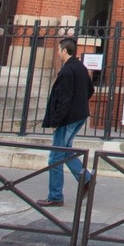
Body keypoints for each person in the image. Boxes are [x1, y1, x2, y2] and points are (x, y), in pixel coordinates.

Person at [37, 37, 95, 207]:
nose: (57, 52)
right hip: (79, 115)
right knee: (66, 151)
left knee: (55, 157)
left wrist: (55, 121)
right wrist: (80, 104)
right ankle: (87, 180)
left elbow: (64, 99)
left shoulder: (67, 71)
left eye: (58, 49)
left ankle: (55, 196)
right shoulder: (81, 68)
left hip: (67, 118)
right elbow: (90, 89)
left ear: (64, 51)